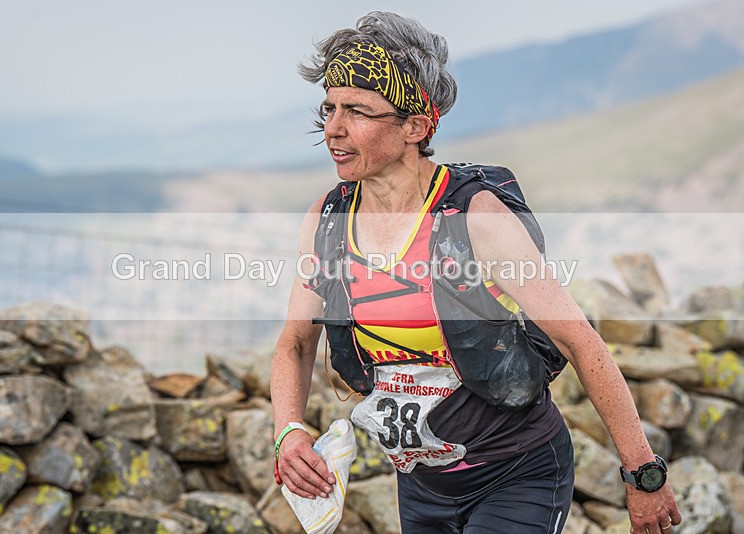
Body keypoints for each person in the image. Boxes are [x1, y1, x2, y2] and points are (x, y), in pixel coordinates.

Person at [270, 11, 682, 533]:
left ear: (416, 126)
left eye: (357, 111)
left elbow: (582, 342)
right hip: (422, 487)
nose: (333, 128)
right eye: (328, 108)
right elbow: (295, 344)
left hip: (517, 474)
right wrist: (288, 430)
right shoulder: (327, 222)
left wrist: (643, 474)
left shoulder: (475, 217)